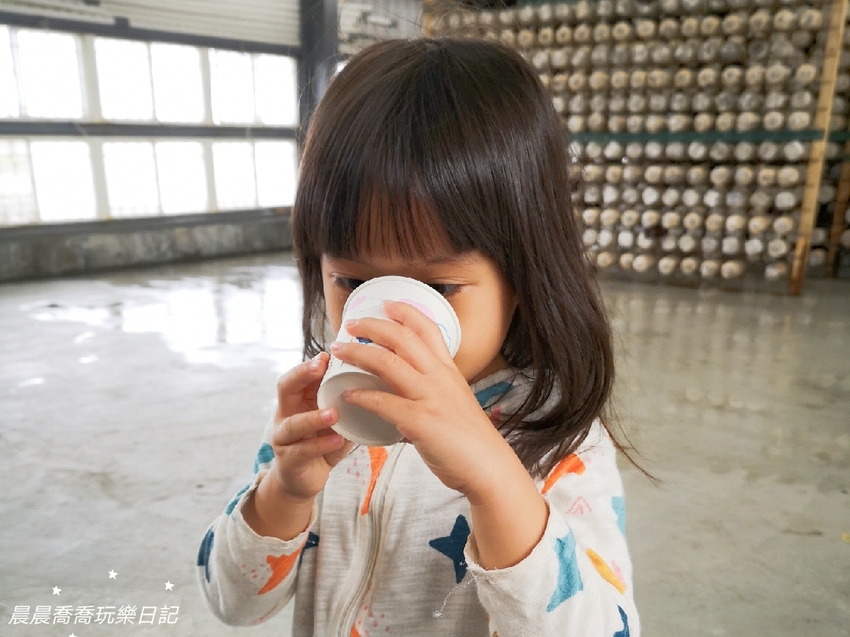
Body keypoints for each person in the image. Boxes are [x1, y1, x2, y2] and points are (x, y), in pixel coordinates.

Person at [197, 36, 640, 637]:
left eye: (437, 288)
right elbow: (231, 601)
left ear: (523, 272)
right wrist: (285, 489)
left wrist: (495, 481)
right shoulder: (324, 414)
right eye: (352, 279)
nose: (392, 320)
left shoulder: (558, 439)